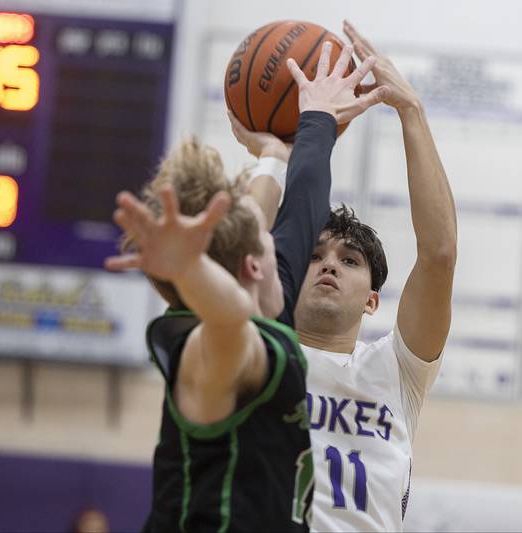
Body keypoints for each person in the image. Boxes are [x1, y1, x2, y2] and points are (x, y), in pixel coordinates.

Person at [105, 42, 388, 532]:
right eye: (266, 237)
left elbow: (298, 208)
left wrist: (282, 150)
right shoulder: (215, 345)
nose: (281, 241)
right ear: (253, 268)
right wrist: (190, 267)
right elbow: (230, 314)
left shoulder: (266, 307)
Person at [252, 21, 458, 531]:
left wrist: (411, 110)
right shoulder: (257, 350)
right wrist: (271, 159)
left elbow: (439, 253)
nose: (328, 264)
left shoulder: (398, 371)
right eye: (316, 254)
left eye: (349, 261)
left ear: (371, 300)